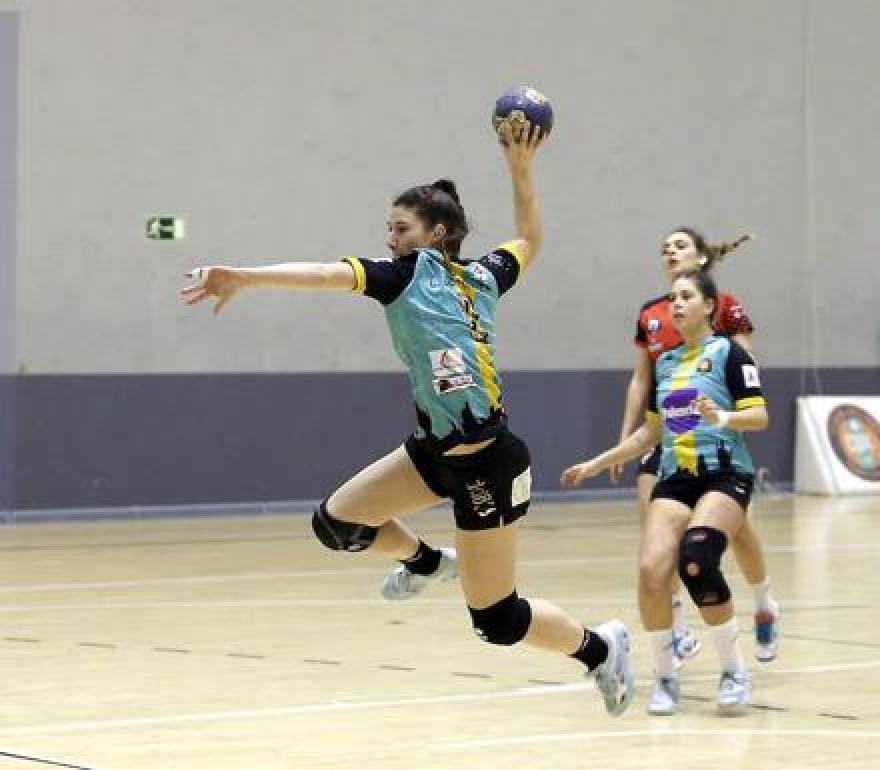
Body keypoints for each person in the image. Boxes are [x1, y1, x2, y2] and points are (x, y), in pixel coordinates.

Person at [181, 122, 634, 717]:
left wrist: (521, 170)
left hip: (488, 464)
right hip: (432, 453)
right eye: (389, 229)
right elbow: (329, 274)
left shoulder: (471, 276)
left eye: (401, 229)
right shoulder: (404, 278)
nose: (390, 239)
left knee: (497, 621)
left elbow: (528, 237)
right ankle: (424, 562)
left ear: (435, 235)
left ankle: (600, 648)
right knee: (337, 523)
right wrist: (246, 276)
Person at [564, 269, 769, 716]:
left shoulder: (732, 356)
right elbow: (650, 434)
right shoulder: (667, 363)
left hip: (725, 472)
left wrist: (723, 419)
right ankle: (665, 677)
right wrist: (597, 463)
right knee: (652, 571)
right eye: (673, 297)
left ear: (709, 306)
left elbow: (759, 416)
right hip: (676, 476)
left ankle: (734, 671)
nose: (675, 304)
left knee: (696, 558)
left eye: (686, 296)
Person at [612, 227, 781, 668]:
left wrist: (724, 414)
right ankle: (677, 626)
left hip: (717, 434)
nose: (670, 251)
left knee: (734, 530)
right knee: (656, 535)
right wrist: (624, 438)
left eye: (681, 244)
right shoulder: (652, 312)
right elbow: (641, 380)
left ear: (703, 259)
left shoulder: (724, 307)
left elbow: (746, 368)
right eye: (664, 246)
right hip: (666, 428)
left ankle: (764, 601)